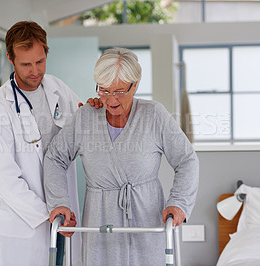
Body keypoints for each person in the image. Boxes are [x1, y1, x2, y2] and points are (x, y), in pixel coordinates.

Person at [44, 47, 199, 265]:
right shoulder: (86, 117)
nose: (111, 99)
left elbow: (186, 160)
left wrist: (179, 203)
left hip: (147, 219)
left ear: (135, 85)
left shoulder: (154, 115)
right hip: (99, 220)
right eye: (104, 91)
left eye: (118, 91)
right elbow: (55, 158)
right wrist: (59, 203)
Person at [0, 21, 100, 266]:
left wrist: (94, 111)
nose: (35, 71)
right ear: (10, 59)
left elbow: (83, 129)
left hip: (64, 213)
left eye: (40, 61)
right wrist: (48, 213)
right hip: (28, 220)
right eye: (26, 64)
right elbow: (6, 181)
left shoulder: (58, 89)